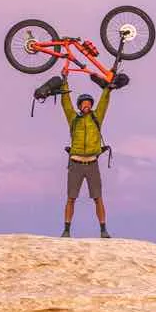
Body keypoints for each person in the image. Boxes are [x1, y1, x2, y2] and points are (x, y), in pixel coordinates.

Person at [57, 80, 113, 238]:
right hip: (75, 164)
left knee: (98, 197)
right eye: (84, 104)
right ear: (80, 106)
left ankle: (103, 230)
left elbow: (104, 102)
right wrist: (64, 82)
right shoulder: (73, 119)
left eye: (89, 103)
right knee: (71, 198)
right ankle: (66, 230)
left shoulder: (97, 118)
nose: (87, 105)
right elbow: (65, 103)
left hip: (92, 163)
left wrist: (108, 88)